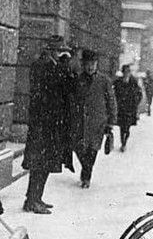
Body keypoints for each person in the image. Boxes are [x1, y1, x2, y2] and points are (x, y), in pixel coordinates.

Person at [22, 35, 75, 214]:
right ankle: (32, 200)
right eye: (60, 50)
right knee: (39, 163)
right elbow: (47, 91)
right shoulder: (42, 66)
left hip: (50, 124)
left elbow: (67, 87)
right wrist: (62, 67)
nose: (62, 53)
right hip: (43, 123)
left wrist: (64, 67)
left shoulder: (54, 66)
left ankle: (35, 198)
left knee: (44, 163)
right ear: (52, 50)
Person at [70, 50, 117, 188]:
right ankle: (86, 171)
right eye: (88, 64)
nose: (90, 67)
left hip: (98, 123)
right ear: (83, 64)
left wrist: (111, 122)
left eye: (93, 64)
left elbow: (111, 101)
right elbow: (71, 100)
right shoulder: (77, 80)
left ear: (97, 64)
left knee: (92, 150)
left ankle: (86, 177)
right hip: (80, 122)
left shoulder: (104, 80)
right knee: (79, 149)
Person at [113, 65, 142, 152]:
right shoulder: (117, 82)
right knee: (122, 127)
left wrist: (136, 102)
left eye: (128, 72)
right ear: (123, 73)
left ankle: (125, 141)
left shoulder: (133, 82)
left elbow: (139, 94)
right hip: (121, 108)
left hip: (130, 108)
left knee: (127, 127)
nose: (126, 74)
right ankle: (123, 143)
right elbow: (113, 94)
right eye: (125, 72)